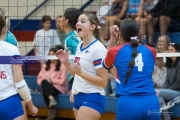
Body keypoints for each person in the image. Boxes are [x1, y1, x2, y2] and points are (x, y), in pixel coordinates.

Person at [103, 18, 161, 120]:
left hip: (128, 104)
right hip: (151, 102)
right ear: (139, 33)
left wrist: (113, 37)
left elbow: (106, 64)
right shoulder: (152, 51)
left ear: (120, 35)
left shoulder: (115, 51)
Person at [56, 13, 108, 120]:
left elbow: (103, 81)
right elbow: (76, 74)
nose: (78, 24)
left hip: (92, 96)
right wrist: (66, 62)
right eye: (78, 21)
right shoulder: (80, 45)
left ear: (92, 27)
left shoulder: (98, 48)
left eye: (83, 22)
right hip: (78, 96)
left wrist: (81, 73)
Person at [0, 15, 38, 120]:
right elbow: (20, 83)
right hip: (10, 102)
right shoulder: (12, 49)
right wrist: (31, 105)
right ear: (4, 30)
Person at [37, 47, 68, 120]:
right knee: (44, 82)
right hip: (48, 87)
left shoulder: (62, 66)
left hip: (60, 88)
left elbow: (63, 81)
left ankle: (51, 110)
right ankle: (51, 99)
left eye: (53, 54)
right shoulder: (45, 66)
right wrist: (47, 81)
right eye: (49, 54)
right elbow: (39, 79)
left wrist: (51, 80)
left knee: (45, 87)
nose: (50, 55)